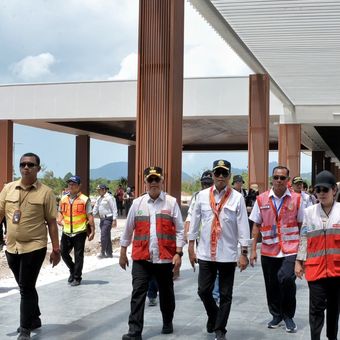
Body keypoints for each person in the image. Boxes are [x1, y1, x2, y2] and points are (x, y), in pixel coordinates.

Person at [0, 152, 61, 340]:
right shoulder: (8, 189)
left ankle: (25, 329)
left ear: (38, 169)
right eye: (23, 164)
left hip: (35, 246)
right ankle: (34, 318)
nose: (26, 167)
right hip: (12, 247)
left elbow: (52, 222)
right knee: (25, 285)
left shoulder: (46, 192)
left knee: (25, 287)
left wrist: (56, 249)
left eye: (30, 165)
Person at [119, 166, 185, 340]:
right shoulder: (137, 203)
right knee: (138, 294)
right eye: (150, 180)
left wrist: (179, 253)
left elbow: (179, 230)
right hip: (142, 258)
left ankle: (167, 321)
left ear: (162, 181)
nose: (154, 183)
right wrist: (123, 251)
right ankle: (134, 332)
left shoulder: (171, 202)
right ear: (145, 182)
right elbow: (128, 229)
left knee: (166, 293)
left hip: (165, 258)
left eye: (157, 179)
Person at [188, 159, 250, 340]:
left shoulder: (237, 198)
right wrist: (191, 247)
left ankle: (220, 329)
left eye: (224, 173)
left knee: (225, 294)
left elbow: (243, 227)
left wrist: (244, 254)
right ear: (213, 174)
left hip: (227, 254)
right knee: (203, 290)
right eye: (217, 173)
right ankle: (214, 316)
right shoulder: (201, 196)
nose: (221, 177)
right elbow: (194, 223)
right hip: (206, 252)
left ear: (229, 176)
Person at [249, 165, 304, 333]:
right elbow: (256, 225)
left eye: (282, 177)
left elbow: (302, 226)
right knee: (271, 284)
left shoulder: (297, 199)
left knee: (287, 279)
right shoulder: (262, 199)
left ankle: (288, 316)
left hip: (290, 249)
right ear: (271, 179)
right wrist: (252, 251)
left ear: (288, 180)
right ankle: (276, 314)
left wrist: (302, 255)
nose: (279, 180)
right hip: (269, 250)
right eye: (276, 177)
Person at [295, 170, 340, 340]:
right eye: (318, 190)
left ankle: (332, 337)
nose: (321, 193)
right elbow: (304, 237)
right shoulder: (309, 212)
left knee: (334, 309)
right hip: (316, 270)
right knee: (316, 309)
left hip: (337, 271)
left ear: (334, 190)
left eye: (325, 189)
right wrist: (298, 262)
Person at [57, 175, 95, 286]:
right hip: (66, 231)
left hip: (80, 231)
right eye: (69, 184)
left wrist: (92, 230)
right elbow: (60, 212)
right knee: (63, 253)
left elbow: (90, 216)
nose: (71, 186)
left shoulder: (85, 199)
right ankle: (73, 269)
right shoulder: (63, 199)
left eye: (73, 184)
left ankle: (77, 278)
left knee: (79, 255)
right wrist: (60, 220)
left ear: (79, 186)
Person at [92, 184, 118, 258]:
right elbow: (95, 208)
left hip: (108, 219)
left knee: (103, 235)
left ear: (103, 190)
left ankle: (102, 252)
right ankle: (109, 253)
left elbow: (114, 209)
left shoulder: (109, 198)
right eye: (97, 190)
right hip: (102, 219)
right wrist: (91, 217)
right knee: (107, 235)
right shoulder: (99, 198)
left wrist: (114, 220)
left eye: (99, 190)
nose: (98, 191)